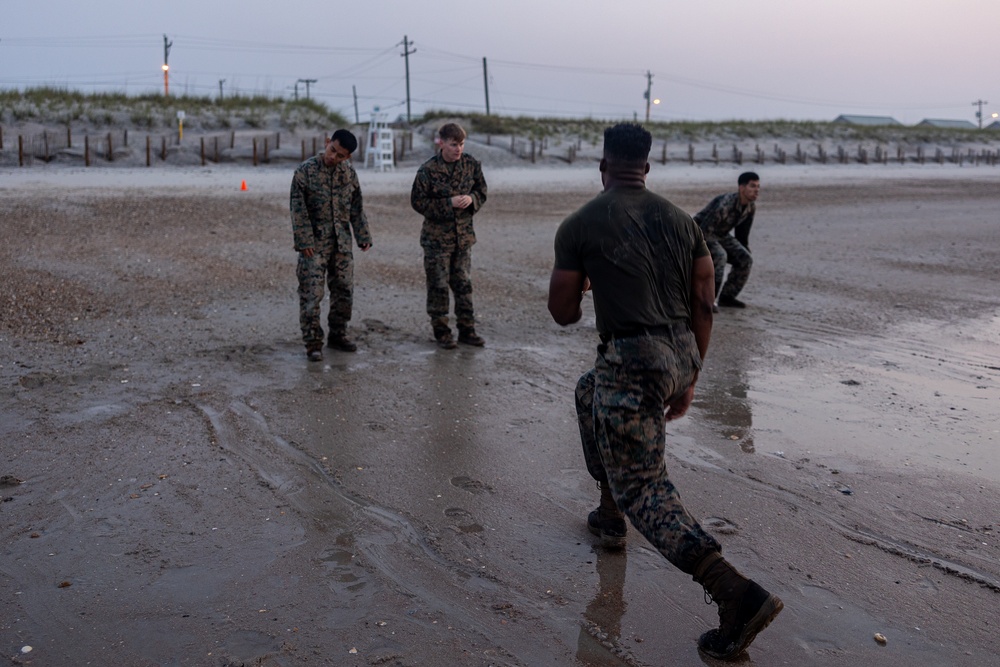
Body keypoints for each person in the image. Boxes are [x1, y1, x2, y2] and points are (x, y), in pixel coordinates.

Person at [547, 123, 782, 661]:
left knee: (647, 491)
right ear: (647, 168)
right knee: (588, 394)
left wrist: (585, 284)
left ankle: (734, 592)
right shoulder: (682, 221)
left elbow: (562, 314)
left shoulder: (581, 223)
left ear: (602, 167)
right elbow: (705, 303)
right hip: (678, 353)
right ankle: (608, 510)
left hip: (634, 363)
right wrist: (691, 375)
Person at [290, 129, 372, 362]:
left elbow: (356, 207)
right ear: (327, 143)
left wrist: (363, 235)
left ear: (347, 157)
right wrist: (304, 240)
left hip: (342, 244)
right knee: (311, 295)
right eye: (332, 150)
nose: (333, 157)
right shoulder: (305, 171)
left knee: (344, 291)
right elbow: (298, 209)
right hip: (314, 245)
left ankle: (338, 335)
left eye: (340, 155)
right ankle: (313, 343)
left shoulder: (349, 174)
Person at [410, 122, 488, 349]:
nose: (458, 149)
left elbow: (482, 190)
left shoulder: (471, 165)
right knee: (438, 285)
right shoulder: (428, 170)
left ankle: (467, 330)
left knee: (463, 284)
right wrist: (448, 204)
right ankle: (442, 331)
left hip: (463, 238)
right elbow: (417, 202)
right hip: (436, 241)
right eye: (454, 144)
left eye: (461, 144)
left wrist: (472, 199)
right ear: (441, 143)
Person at [693, 171, 760, 309]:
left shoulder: (750, 207)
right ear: (742, 188)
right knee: (720, 256)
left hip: (720, 234)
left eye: (758, 187)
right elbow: (704, 230)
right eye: (753, 186)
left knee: (746, 258)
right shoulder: (726, 204)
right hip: (700, 233)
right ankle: (709, 300)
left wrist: (742, 253)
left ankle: (727, 297)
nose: (756, 190)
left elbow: (742, 236)